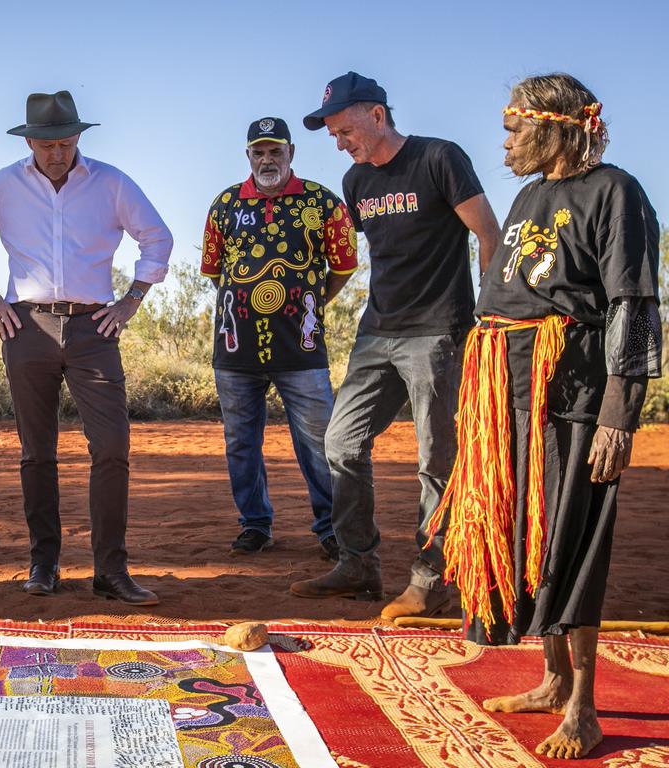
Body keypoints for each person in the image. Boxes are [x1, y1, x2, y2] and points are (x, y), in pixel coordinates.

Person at [425, 74, 661, 760]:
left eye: (512, 129)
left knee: (571, 538)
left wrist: (619, 412)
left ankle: (583, 709)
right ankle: (553, 679)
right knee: (525, 532)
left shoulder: (616, 193)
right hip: (506, 387)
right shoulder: (530, 196)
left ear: (555, 125)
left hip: (574, 390)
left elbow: (634, 306)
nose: (502, 146)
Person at [289, 72, 501, 619]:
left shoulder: (439, 159)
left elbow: (486, 233)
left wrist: (491, 312)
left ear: (377, 115)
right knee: (340, 443)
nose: (339, 141)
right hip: (377, 332)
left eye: (343, 129)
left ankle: (432, 581)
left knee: (437, 459)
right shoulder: (356, 180)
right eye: (332, 134)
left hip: (438, 331)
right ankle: (358, 564)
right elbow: (370, 253)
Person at [0, 90, 172, 606]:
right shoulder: (4, 185)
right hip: (26, 328)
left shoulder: (111, 182)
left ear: (79, 137)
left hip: (95, 329)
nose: (58, 153)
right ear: (30, 140)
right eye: (48, 144)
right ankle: (43, 562)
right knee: (37, 452)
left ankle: (110, 571)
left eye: (66, 142)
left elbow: (156, 239)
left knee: (113, 447)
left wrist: (132, 300)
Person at [200, 117, 357, 558]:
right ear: (247, 155)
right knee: (241, 441)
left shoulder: (322, 203)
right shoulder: (225, 205)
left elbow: (343, 266)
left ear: (291, 153)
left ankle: (331, 528)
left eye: (275, 151)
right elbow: (215, 272)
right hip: (235, 350)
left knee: (318, 440)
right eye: (258, 152)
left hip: (301, 348)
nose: (267, 159)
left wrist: (307, 302)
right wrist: (247, 306)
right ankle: (255, 524)